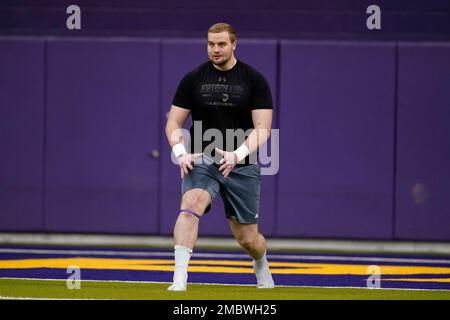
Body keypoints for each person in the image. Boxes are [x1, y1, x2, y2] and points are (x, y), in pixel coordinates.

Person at [165, 22, 275, 291]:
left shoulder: (254, 79)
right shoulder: (193, 79)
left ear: (233, 44)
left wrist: (237, 154)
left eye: (221, 44)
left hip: (242, 162)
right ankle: (179, 279)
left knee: (248, 239)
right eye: (211, 44)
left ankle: (260, 262)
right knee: (190, 205)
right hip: (203, 159)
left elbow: (263, 129)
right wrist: (180, 152)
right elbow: (173, 124)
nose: (215, 49)